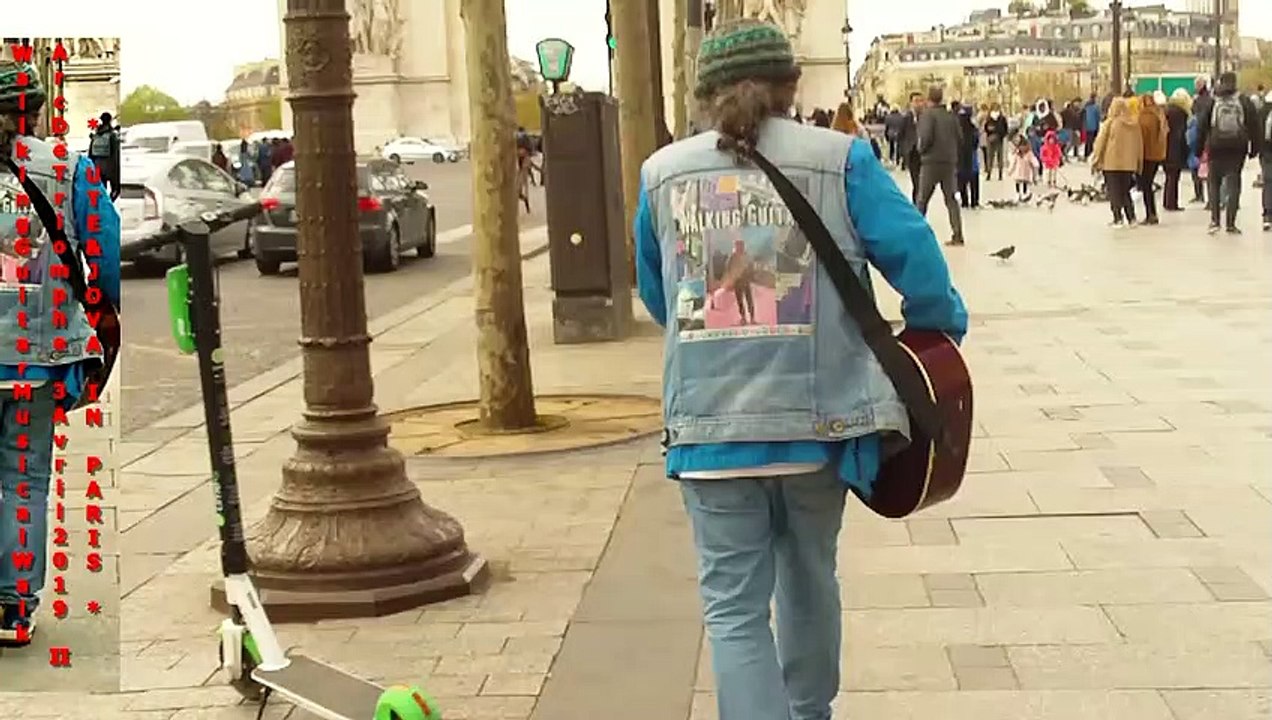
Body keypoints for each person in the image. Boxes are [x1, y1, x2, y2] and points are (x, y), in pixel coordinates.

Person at [633, 20, 967, 720]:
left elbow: (660, 293)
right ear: (791, 87)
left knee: (732, 607)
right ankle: (810, 712)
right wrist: (938, 332)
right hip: (823, 423)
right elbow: (919, 260)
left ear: (706, 94)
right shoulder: (840, 158)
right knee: (811, 576)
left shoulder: (661, 174)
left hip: (711, 430)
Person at [0, 60, 122, 647]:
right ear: (36, 111)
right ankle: (13, 608)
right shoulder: (69, 169)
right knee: (23, 482)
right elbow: (104, 254)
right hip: (36, 361)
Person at [1196, 71, 1260, 234]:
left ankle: (1215, 220)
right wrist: (1254, 148)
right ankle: (1230, 223)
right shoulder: (1244, 101)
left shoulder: (1213, 101)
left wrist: (1199, 149)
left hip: (1216, 146)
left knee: (1214, 183)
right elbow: (1255, 125)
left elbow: (1202, 126)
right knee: (1234, 184)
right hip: (1237, 148)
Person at [915, 85, 965, 246]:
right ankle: (958, 234)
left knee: (922, 199)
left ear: (929, 99)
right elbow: (960, 138)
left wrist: (921, 149)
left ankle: (914, 232)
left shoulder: (927, 115)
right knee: (951, 200)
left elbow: (926, 137)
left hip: (930, 162)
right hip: (949, 162)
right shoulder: (951, 116)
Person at [1091, 96, 1143, 227]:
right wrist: (1138, 163)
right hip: (1129, 165)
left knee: (1114, 192)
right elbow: (1139, 145)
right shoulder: (1135, 124)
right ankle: (1131, 218)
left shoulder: (1110, 123)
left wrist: (1096, 160)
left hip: (1111, 163)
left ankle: (1117, 218)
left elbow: (1100, 143)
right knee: (1125, 191)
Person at [1137, 92, 1168, 225]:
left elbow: (1140, 137)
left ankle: (1151, 214)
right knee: (1148, 184)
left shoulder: (1144, 116)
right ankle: (1152, 213)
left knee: (1146, 185)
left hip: (1146, 155)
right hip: (1157, 154)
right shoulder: (1159, 114)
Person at [1162, 89, 1192, 212]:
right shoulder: (1181, 113)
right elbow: (1182, 133)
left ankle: (1167, 201)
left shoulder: (1167, 110)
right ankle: (1171, 203)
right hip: (1176, 148)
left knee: (1169, 176)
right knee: (1174, 177)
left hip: (1165, 146)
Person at [86, 111, 121, 201]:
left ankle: (103, 205)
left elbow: (90, 153)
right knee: (114, 190)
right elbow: (116, 153)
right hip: (110, 166)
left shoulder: (96, 135)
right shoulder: (112, 135)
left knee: (101, 190)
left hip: (97, 166)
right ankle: (109, 204)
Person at [897, 91, 924, 198]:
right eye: (916, 101)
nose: (919, 104)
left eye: (921, 101)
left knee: (922, 184)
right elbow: (900, 135)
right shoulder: (906, 118)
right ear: (911, 103)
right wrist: (903, 152)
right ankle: (917, 206)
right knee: (916, 182)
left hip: (924, 153)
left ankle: (919, 206)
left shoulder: (926, 117)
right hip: (912, 154)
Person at [956, 106, 980, 209]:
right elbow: (976, 142)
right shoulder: (973, 128)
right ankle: (974, 201)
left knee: (961, 180)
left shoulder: (957, 128)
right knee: (973, 180)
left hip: (960, 158)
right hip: (971, 157)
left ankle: (964, 201)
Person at [1258, 89, 1272, 231]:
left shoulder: (1263, 111)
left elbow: (1257, 132)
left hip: (1267, 152)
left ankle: (1267, 215)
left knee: (1268, 182)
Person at [982, 103, 1007, 181]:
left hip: (998, 139)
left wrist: (999, 134)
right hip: (991, 139)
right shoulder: (989, 118)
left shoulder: (1002, 118)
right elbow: (985, 127)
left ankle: (1000, 173)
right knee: (990, 157)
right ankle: (989, 173)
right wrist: (990, 131)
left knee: (999, 157)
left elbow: (1005, 128)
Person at [1082, 93, 1102, 158]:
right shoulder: (1096, 107)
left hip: (1087, 126)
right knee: (1092, 141)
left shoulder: (1086, 106)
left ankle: (1086, 154)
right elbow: (1098, 117)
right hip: (1093, 126)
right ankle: (1090, 154)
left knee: (1088, 141)